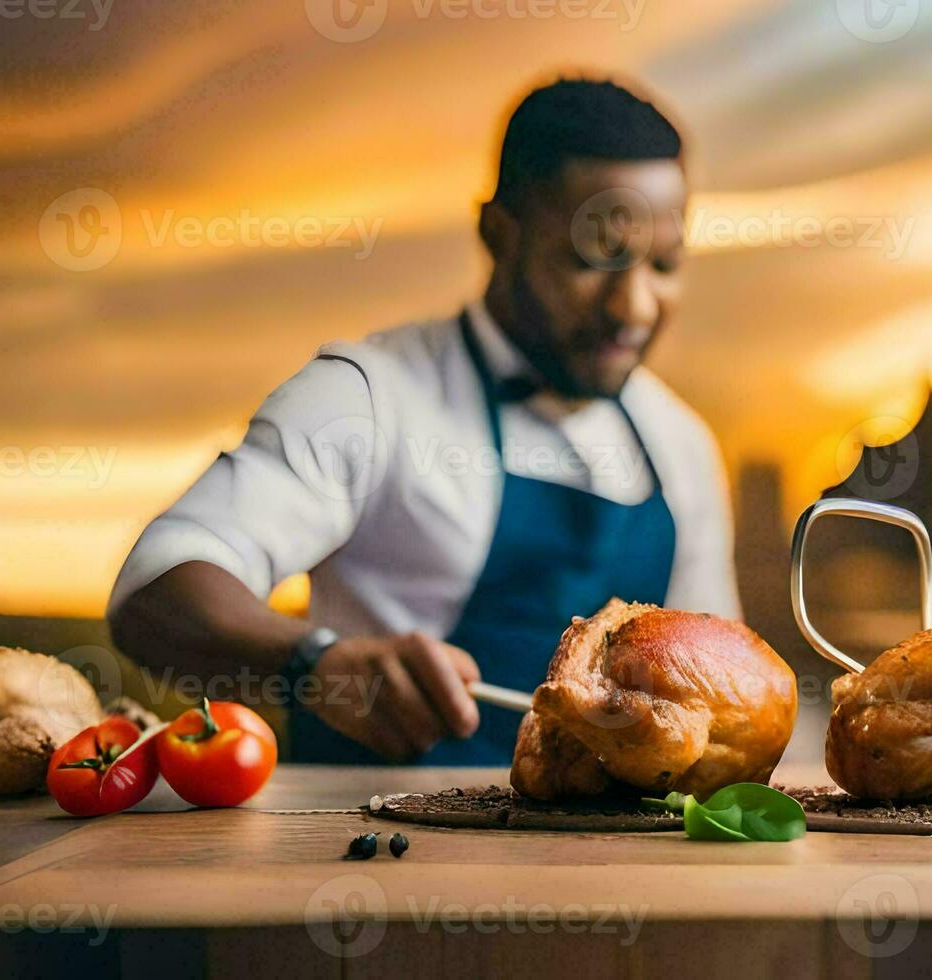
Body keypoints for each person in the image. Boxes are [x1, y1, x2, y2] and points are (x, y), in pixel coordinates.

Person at [108, 78, 740, 765]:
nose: (635, 307)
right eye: (592, 261)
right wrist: (315, 664)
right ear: (499, 233)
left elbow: (714, 694)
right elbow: (156, 584)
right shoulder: (367, 398)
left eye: (666, 264)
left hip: (604, 866)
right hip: (374, 858)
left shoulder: (681, 445)